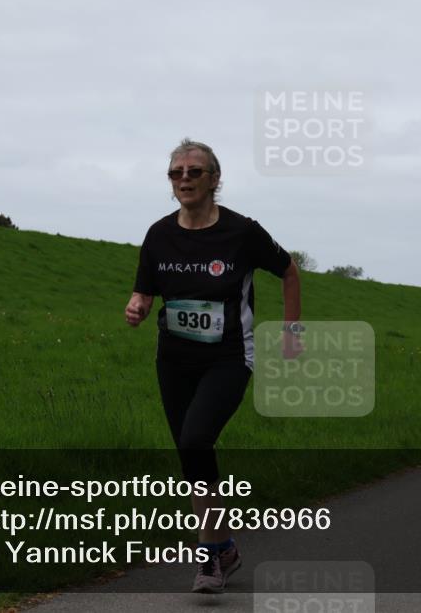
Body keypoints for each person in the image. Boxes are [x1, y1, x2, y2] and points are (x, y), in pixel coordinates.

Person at [125, 139, 302, 594]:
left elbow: (288, 271)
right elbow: (144, 292)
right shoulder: (158, 235)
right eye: (176, 172)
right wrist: (137, 306)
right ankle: (224, 545)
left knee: (195, 439)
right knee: (192, 456)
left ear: (215, 179)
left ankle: (207, 559)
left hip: (228, 358)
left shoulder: (242, 232)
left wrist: (291, 331)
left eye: (194, 171)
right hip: (173, 360)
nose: (183, 179)